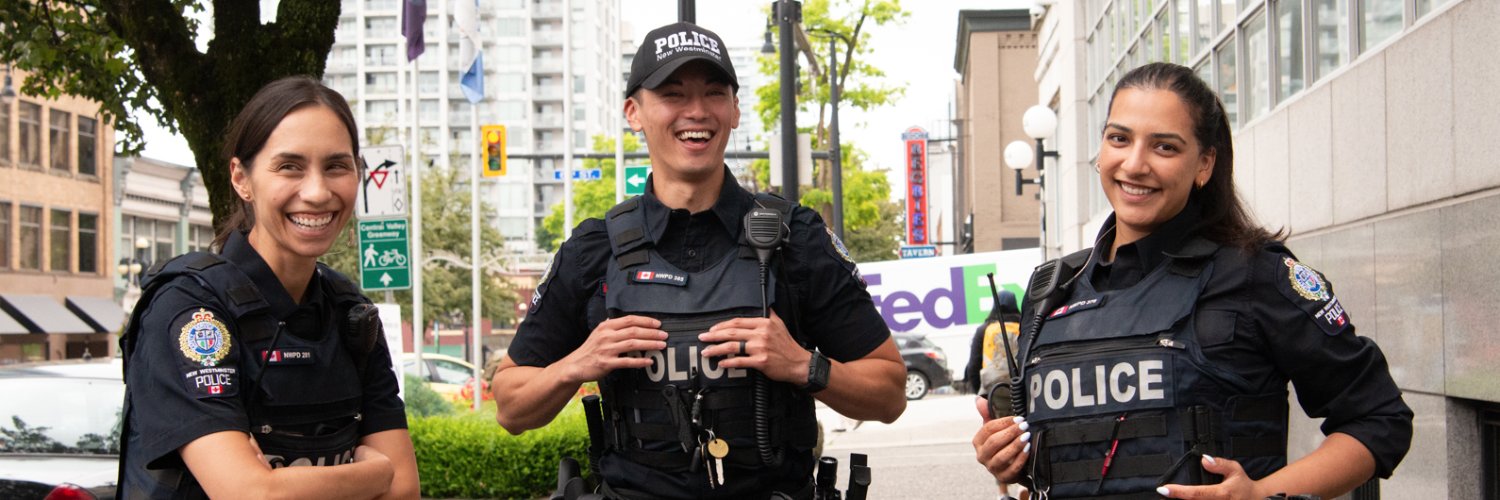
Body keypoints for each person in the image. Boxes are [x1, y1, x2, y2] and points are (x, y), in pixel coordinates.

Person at [491, 21, 907, 499]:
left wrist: (803, 366)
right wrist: (576, 364)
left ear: (734, 110)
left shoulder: (797, 239)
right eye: (672, 94)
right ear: (634, 112)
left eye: (713, 93)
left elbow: (891, 393)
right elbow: (510, 407)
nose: (696, 111)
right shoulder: (593, 250)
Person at [972, 62, 1412, 499]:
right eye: (1119, 139)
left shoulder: (1254, 273)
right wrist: (1008, 457)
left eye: (1164, 147)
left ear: (1204, 164)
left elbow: (1379, 419)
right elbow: (1058, 461)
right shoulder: (1051, 290)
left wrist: (1262, 495)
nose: (1135, 163)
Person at [118, 76, 420, 499]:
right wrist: (374, 474)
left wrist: (288, 483)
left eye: (336, 166)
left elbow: (405, 491)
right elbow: (251, 494)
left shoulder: (351, 314)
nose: (317, 192)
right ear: (242, 179)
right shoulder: (190, 308)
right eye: (289, 166)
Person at [965, 290, 1021, 395]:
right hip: (1021, 388)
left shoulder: (984, 329)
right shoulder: (1024, 326)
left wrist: (980, 392)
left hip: (992, 390)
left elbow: (973, 365)